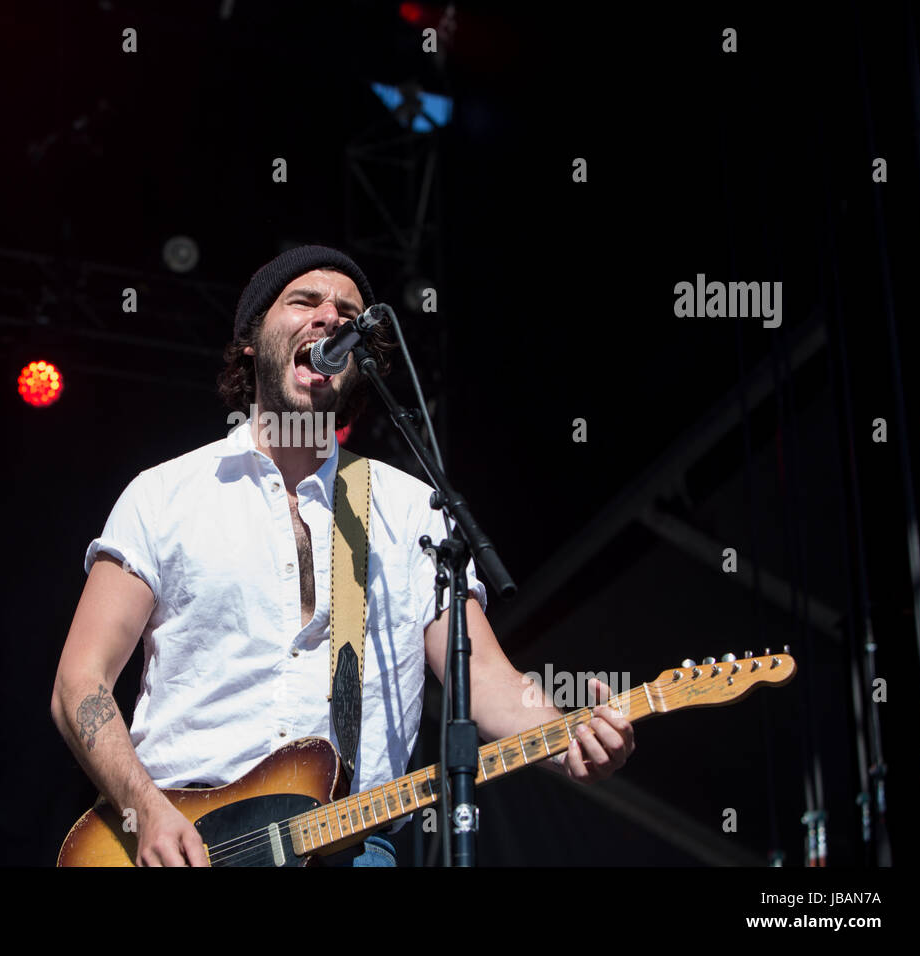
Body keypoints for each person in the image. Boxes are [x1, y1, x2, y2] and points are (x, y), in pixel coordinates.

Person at [49, 245, 634, 866]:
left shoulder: (410, 510)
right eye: (304, 302)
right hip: (180, 845)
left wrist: (570, 737)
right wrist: (148, 812)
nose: (331, 317)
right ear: (252, 339)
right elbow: (79, 684)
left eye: (349, 313)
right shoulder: (166, 494)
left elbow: (486, 680)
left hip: (352, 848)